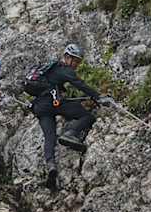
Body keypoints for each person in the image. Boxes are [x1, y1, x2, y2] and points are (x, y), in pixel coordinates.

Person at [31, 43, 113, 190]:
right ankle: (71, 132)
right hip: (52, 103)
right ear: (67, 57)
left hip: (40, 107)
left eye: (78, 62)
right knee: (86, 116)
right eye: (75, 60)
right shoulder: (63, 69)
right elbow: (79, 84)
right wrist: (98, 97)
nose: (76, 64)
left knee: (50, 137)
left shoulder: (51, 70)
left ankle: (51, 166)